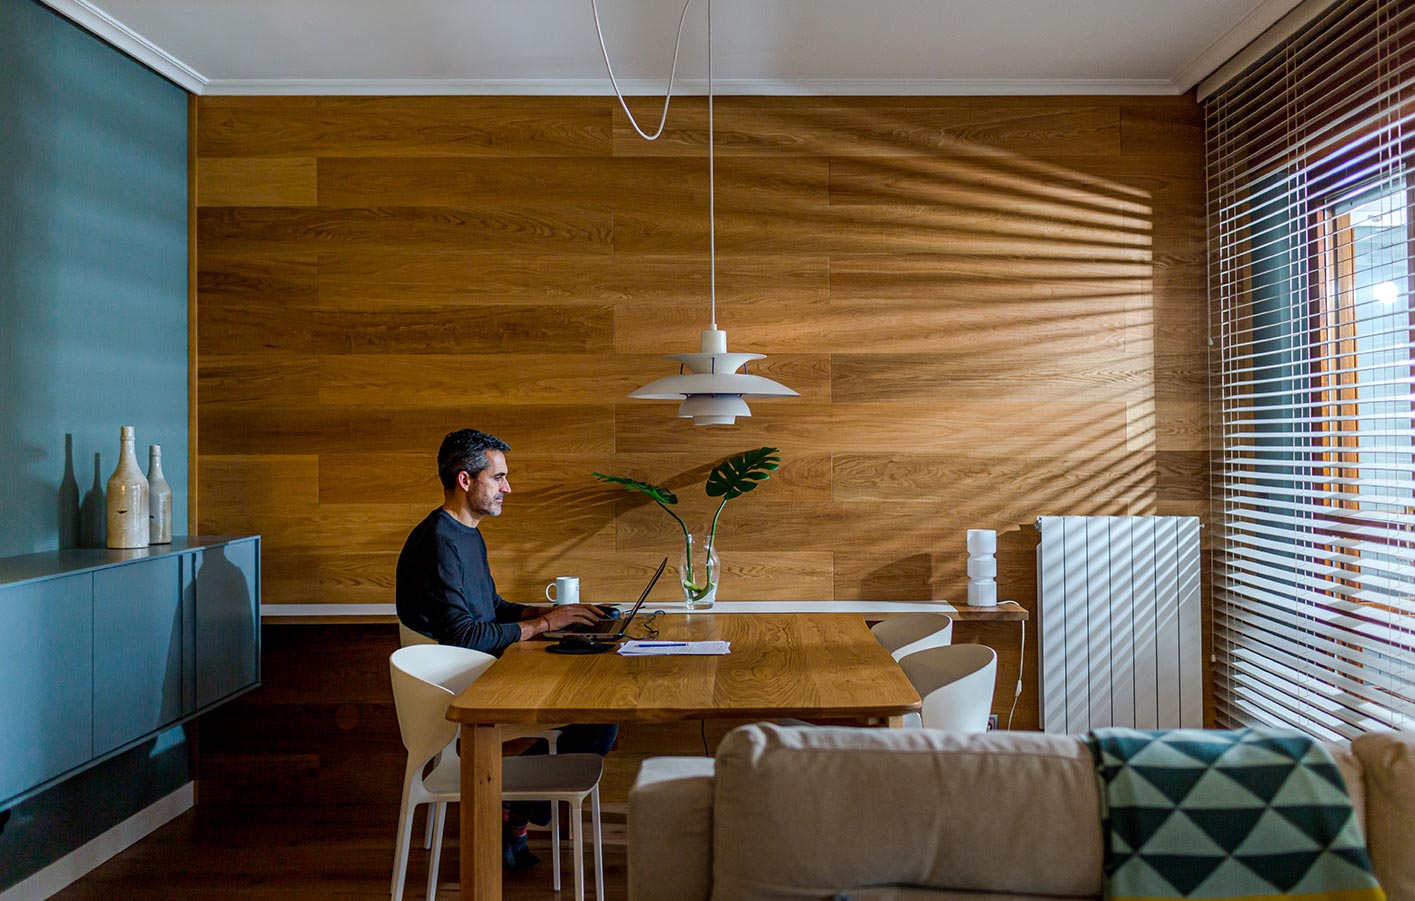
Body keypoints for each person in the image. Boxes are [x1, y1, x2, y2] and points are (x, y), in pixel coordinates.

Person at [395, 428, 617, 871]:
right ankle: (509, 811)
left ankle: (511, 814)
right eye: (498, 478)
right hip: (458, 694)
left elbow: (490, 608)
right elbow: (465, 635)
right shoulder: (439, 542)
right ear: (465, 480)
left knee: (600, 715)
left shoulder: (465, 533)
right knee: (597, 717)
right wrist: (544, 625)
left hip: (478, 674)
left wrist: (551, 611)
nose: (507, 488)